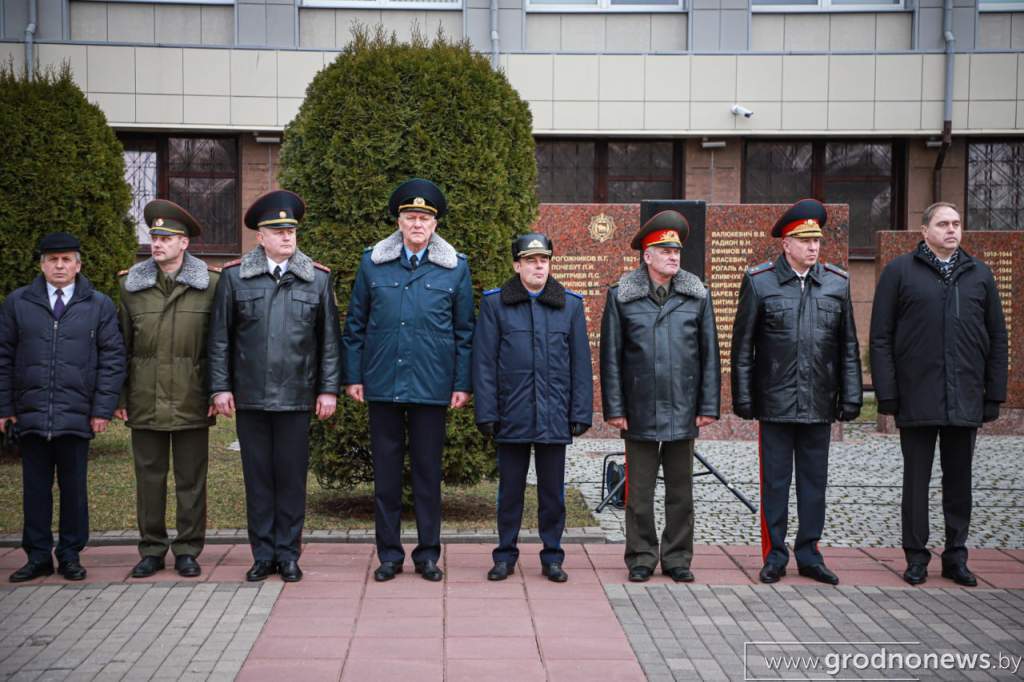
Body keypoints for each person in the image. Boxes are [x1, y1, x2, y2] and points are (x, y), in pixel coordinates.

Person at [342, 178, 474, 582]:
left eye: (424, 218)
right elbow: (355, 325)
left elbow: (465, 332)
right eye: (410, 216)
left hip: (432, 387)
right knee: (385, 475)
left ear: (434, 225)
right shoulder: (372, 264)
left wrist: (461, 383)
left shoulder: (455, 268)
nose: (417, 224)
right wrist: (353, 376)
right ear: (398, 221)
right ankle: (389, 555)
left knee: (427, 475)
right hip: (382, 382)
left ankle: (428, 555)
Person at [869, 201, 1007, 587]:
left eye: (957, 224)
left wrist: (993, 393)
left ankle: (956, 556)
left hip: (965, 394)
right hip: (917, 394)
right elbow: (881, 337)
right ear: (925, 231)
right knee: (916, 481)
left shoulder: (979, 274)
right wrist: (888, 394)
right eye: (943, 224)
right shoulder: (899, 272)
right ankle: (916, 557)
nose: (952, 230)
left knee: (959, 481)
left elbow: (997, 336)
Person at [207, 190, 341, 583]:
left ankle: (289, 554)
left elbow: (329, 341)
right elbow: (219, 339)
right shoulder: (234, 278)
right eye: (278, 231)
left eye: (291, 230)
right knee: (259, 480)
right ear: (260, 237)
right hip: (249, 397)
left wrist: (327, 389)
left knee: (291, 479)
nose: (287, 237)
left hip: (297, 398)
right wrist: (220, 387)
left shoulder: (316, 279)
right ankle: (262, 554)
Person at [731, 198, 862, 586]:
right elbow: (743, 347)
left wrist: (851, 395)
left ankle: (810, 553)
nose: (812, 247)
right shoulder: (760, 282)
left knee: (813, 483)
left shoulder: (836, 284)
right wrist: (743, 396)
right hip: (775, 400)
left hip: (819, 401)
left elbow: (848, 346)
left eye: (816, 240)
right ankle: (774, 555)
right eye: (803, 240)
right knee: (774, 482)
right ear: (785, 244)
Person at [599, 211, 720, 583]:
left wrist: (708, 405)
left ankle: (678, 557)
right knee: (639, 493)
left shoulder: (697, 295)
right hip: (639, 409)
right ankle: (641, 556)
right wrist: (615, 409)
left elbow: (709, 355)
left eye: (676, 250)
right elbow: (611, 357)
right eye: (664, 250)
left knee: (681, 492)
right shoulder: (621, 296)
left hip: (683, 407)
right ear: (646, 256)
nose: (673, 256)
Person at [0, 232, 126, 583]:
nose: (59, 266)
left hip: (77, 414)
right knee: (35, 490)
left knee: (74, 490)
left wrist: (102, 409)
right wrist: (4, 407)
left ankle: (70, 555)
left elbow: (113, 359)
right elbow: (3, 356)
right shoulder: (18, 303)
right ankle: (38, 556)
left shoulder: (98, 304)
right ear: (41, 264)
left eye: (66, 259)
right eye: (52, 260)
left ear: (78, 265)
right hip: (31, 413)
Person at [472, 233, 592, 583]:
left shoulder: (569, 305)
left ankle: (552, 556)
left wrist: (580, 412)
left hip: (554, 415)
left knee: (552, 493)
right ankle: (505, 555)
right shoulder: (495, 305)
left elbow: (580, 364)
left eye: (544, 260)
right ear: (517, 265)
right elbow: (484, 363)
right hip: (512, 413)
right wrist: (487, 413)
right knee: (510, 491)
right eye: (531, 260)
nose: (539, 266)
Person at [116, 200, 220, 579]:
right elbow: (120, 347)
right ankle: (152, 549)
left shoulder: (211, 285)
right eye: (154, 236)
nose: (157, 243)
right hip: (145, 399)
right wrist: (120, 397)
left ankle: (189, 549)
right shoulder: (130, 287)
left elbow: (218, 346)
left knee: (191, 480)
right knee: (149, 480)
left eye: (166, 237)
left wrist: (216, 391)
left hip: (193, 398)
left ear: (185, 244)